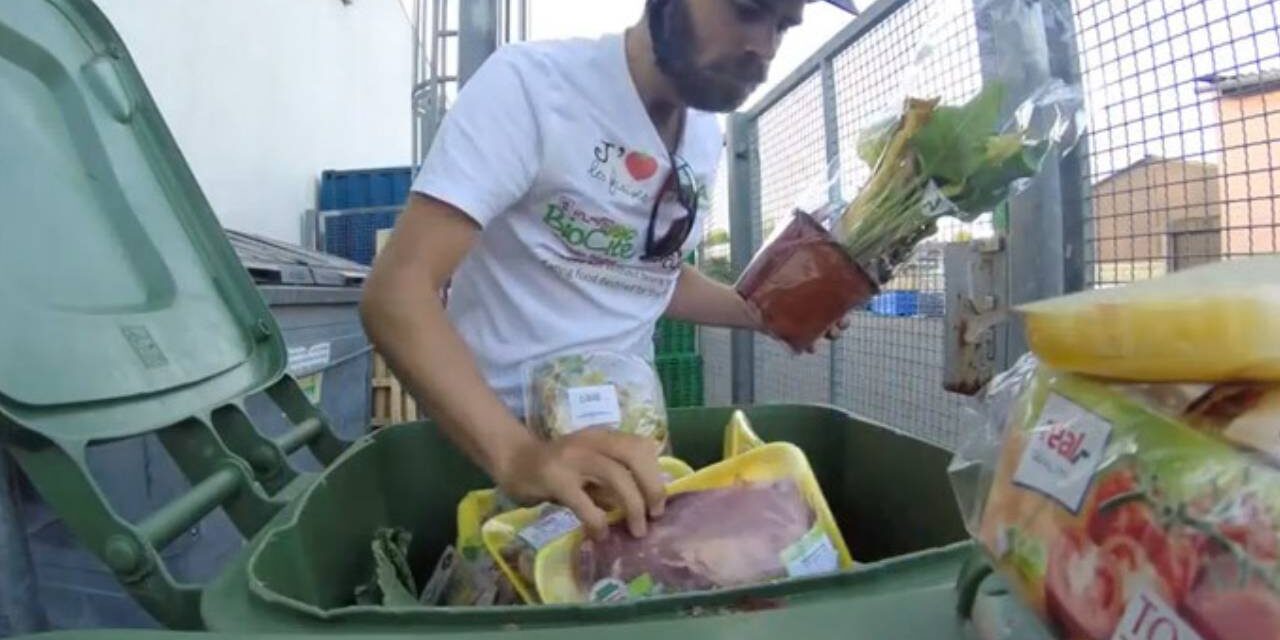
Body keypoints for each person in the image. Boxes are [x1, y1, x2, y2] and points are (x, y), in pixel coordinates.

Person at [361, 0, 857, 540]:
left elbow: (649, 274)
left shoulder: (703, 139)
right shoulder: (533, 87)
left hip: (630, 455)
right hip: (496, 454)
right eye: (746, 10)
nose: (764, 46)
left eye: (783, 25)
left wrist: (762, 311)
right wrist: (521, 455)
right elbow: (397, 293)